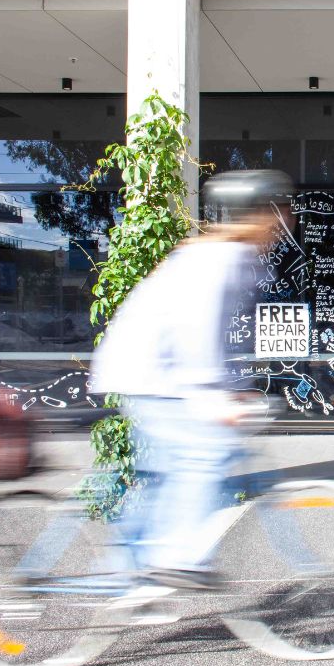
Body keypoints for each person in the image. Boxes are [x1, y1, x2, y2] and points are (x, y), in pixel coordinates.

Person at [90, 169, 294, 589]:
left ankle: (125, 576)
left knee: (168, 474)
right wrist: (216, 398)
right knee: (205, 455)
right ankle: (177, 560)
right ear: (257, 216)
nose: (286, 224)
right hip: (150, 373)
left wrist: (235, 389)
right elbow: (197, 334)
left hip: (147, 371)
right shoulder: (220, 259)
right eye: (279, 214)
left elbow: (215, 343)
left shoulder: (225, 256)